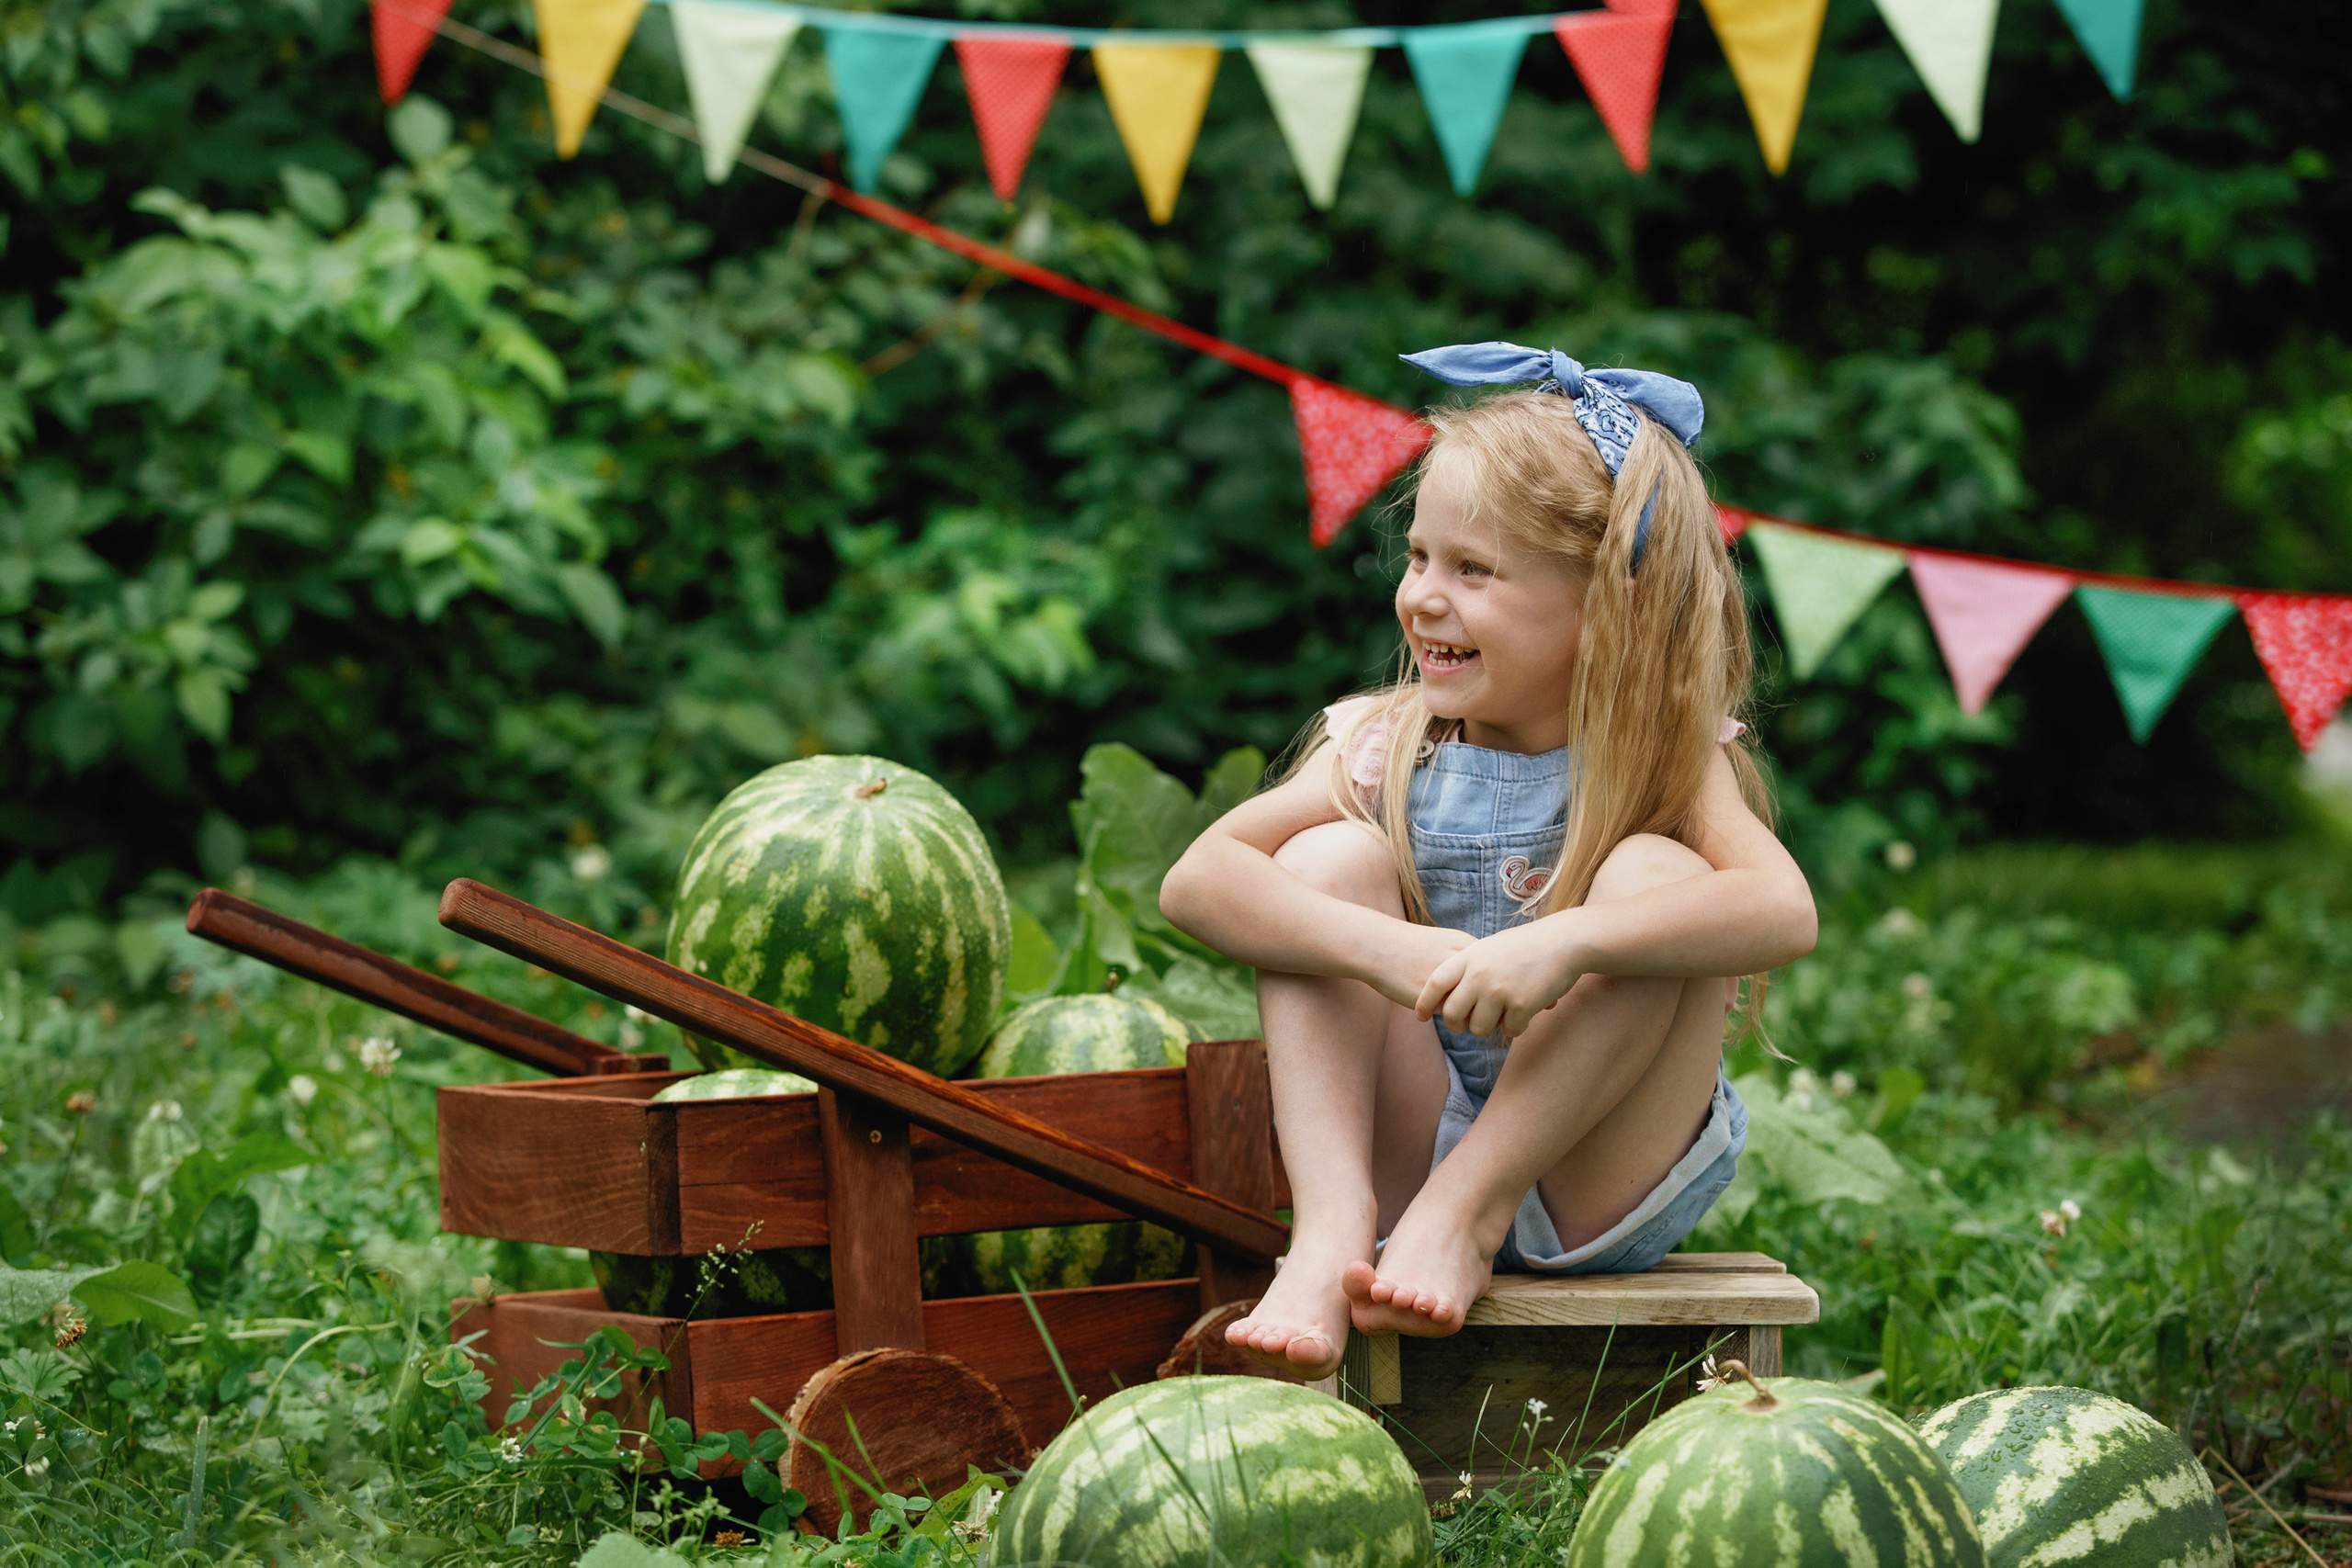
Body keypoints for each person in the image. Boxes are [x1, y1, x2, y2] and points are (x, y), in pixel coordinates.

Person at [1159, 343, 1818, 1380]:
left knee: (1660, 878)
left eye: (1473, 570)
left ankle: (1469, 1213)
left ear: (1608, 606)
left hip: (1588, 1174)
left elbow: (1783, 911)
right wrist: (1385, 950)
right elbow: (1198, 882)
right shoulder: (1385, 740)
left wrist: (1569, 941)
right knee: (1325, 862)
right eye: (1419, 558)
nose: (1423, 596)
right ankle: (1334, 1230)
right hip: (1413, 1147)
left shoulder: (1662, 751)